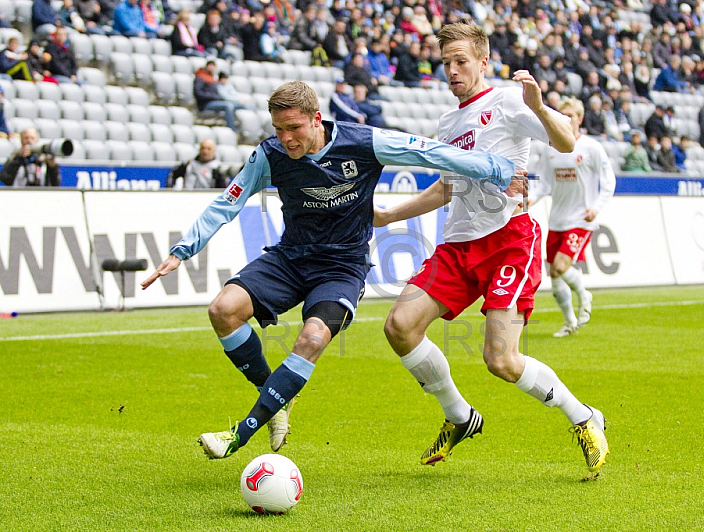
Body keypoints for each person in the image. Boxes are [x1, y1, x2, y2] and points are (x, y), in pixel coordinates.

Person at [141, 80, 523, 460]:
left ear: (316, 119)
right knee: (222, 309)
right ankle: (276, 402)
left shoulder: (363, 142)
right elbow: (228, 202)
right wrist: (182, 250)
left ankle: (239, 434)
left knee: (310, 339)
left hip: (342, 266)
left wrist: (494, 168)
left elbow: (432, 154)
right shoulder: (269, 155)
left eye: (294, 128)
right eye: (279, 129)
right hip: (289, 258)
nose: (286, 138)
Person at [374, 23, 608, 473]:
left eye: (461, 60)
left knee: (500, 360)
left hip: (508, 242)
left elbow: (566, 140)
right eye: (446, 62)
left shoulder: (507, 100)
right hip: (458, 247)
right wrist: (387, 216)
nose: (452, 70)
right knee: (400, 325)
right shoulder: (447, 122)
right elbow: (446, 189)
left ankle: (585, 417)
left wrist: (539, 107)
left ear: (483, 61)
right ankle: (459, 416)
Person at [531, 97, 616, 337]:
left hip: (581, 219)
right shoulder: (551, 148)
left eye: (570, 116)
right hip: (557, 218)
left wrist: (596, 207)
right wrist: (532, 198)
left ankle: (584, 294)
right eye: (562, 115)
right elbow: (544, 183)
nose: (566, 120)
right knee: (555, 272)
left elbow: (609, 182)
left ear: (579, 118)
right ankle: (569, 322)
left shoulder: (592, 148)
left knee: (560, 265)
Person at [193, 60, 248, 131]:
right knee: (228, 106)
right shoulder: (200, 78)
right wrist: (214, 96)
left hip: (216, 101)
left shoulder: (212, 79)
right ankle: (232, 129)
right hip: (206, 104)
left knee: (241, 105)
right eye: (210, 66)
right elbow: (198, 93)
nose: (212, 68)